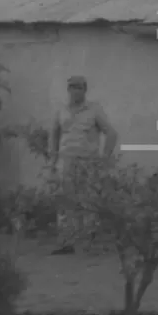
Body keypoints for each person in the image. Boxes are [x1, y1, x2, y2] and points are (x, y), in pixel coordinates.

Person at [48, 75, 118, 255]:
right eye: (72, 87)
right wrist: (53, 160)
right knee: (65, 201)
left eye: (79, 87)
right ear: (68, 90)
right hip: (65, 161)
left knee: (88, 201)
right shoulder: (61, 110)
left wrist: (104, 158)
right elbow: (54, 134)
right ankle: (66, 242)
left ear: (85, 90)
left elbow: (111, 133)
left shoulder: (94, 110)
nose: (75, 91)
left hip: (87, 162)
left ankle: (88, 242)